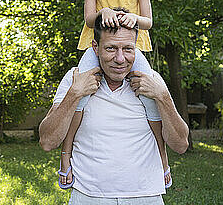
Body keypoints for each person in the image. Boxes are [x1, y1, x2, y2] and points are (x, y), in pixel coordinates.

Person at [58, 0, 171, 190]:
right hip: (96, 48)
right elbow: (88, 19)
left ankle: (163, 158)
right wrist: (103, 13)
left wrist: (133, 19)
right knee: (80, 93)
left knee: (151, 97)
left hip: (133, 47)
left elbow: (148, 21)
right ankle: (65, 156)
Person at [39, 15, 189, 204]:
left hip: (146, 197)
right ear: (95, 48)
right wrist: (75, 93)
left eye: (128, 49)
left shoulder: (151, 81)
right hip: (88, 197)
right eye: (110, 48)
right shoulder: (75, 79)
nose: (120, 59)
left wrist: (162, 96)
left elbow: (181, 145)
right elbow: (47, 141)